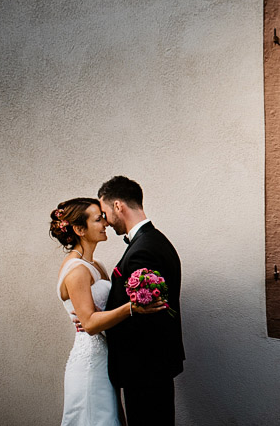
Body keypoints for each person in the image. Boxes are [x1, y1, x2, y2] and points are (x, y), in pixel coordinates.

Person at [51, 198, 165, 426]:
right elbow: (91, 324)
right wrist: (132, 308)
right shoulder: (77, 270)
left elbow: (102, 312)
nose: (105, 223)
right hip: (89, 365)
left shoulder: (96, 265)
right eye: (97, 219)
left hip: (105, 361)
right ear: (79, 229)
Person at [99, 176, 185, 426]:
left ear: (118, 206)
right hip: (151, 367)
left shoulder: (144, 249)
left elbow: (143, 314)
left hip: (144, 368)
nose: (105, 221)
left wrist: (97, 322)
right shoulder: (153, 240)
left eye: (104, 212)